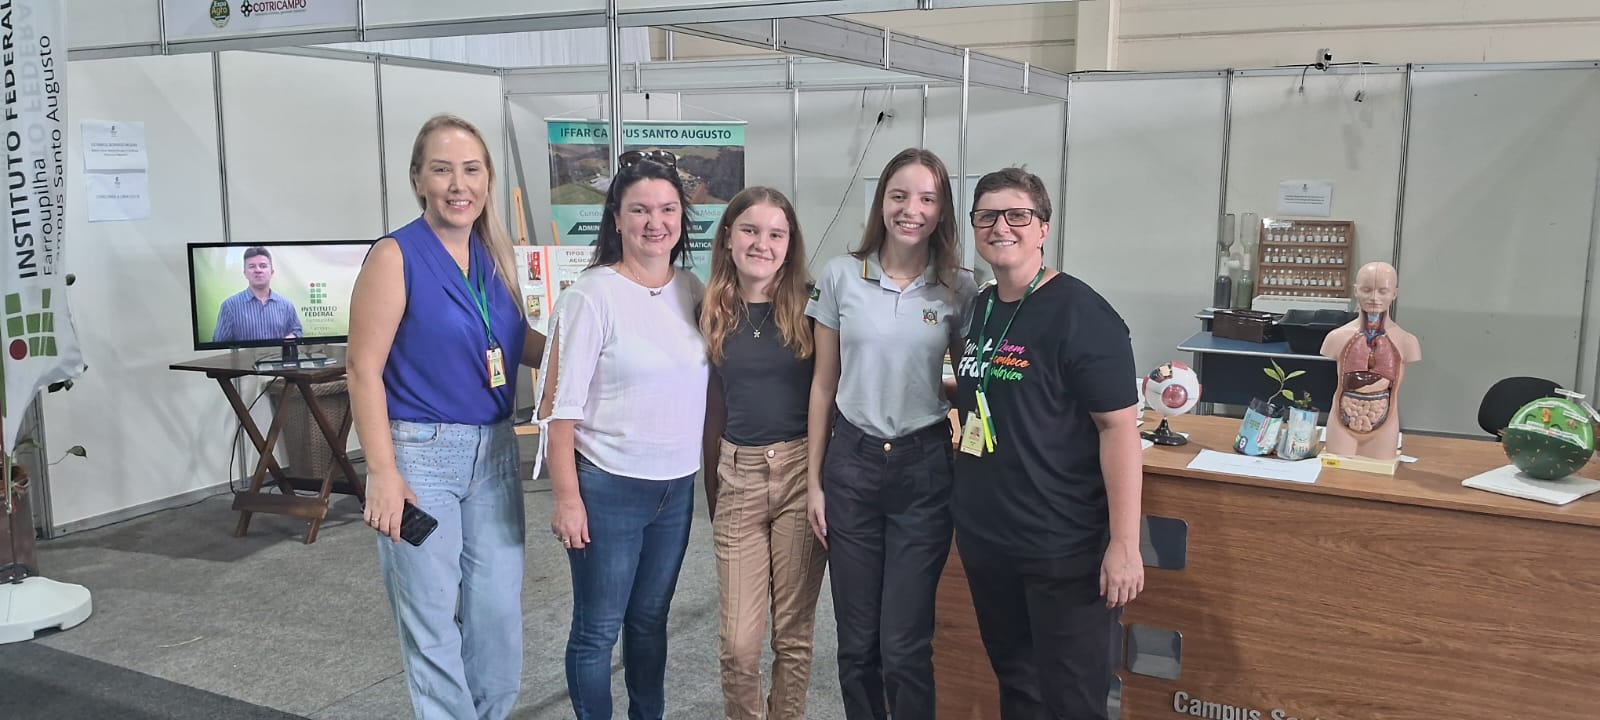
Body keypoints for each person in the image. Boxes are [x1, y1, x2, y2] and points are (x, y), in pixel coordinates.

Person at [346, 113, 546, 720]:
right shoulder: (395, 255)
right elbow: (362, 369)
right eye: (442, 170)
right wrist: (383, 473)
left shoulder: (492, 254)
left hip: (495, 454)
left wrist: (596, 350)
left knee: (496, 614)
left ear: (487, 179)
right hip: (420, 457)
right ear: (418, 179)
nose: (459, 185)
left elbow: (513, 342)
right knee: (431, 617)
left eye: (471, 170)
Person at [951, 167, 1144, 719]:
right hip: (989, 540)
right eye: (987, 216)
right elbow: (996, 388)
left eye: (1018, 215)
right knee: (1018, 688)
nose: (1001, 227)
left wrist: (1124, 543)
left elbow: (1119, 429)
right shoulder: (982, 307)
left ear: (1043, 228)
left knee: (1071, 700)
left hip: (1061, 545)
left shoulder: (1082, 313)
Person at [805, 147, 979, 720]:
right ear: (881, 201)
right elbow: (823, 386)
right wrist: (814, 483)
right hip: (851, 466)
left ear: (942, 210)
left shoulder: (959, 287)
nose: (912, 210)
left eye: (927, 198)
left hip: (923, 468)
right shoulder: (840, 276)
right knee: (857, 645)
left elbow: (974, 384)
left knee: (903, 647)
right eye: (899, 196)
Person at [535, 149, 708, 720]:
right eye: (640, 210)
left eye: (667, 209)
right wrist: (568, 499)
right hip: (607, 488)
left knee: (650, 620)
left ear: (682, 217)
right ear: (616, 218)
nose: (655, 222)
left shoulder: (693, 290)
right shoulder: (591, 296)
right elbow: (559, 412)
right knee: (598, 628)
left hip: (675, 489)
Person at [699, 187, 826, 720]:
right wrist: (713, 489)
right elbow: (713, 408)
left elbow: (833, 392)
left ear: (790, 243)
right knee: (738, 644)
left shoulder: (814, 307)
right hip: (738, 474)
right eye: (750, 230)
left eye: (776, 234)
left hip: (800, 470)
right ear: (728, 236)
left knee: (792, 635)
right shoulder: (710, 310)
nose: (762, 244)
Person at [1320, 260, 1421, 460]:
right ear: (1356, 291)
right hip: (1341, 420)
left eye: (1383, 291)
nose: (1374, 298)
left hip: (1385, 422)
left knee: (1376, 475)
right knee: (1338, 474)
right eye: (1367, 290)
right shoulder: (1336, 337)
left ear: (1394, 294)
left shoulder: (1407, 342)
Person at [212, 246, 303, 343]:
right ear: (245, 273)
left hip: (279, 353)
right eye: (252, 266)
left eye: (263, 266)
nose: (258, 270)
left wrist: (289, 339)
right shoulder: (230, 306)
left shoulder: (286, 305)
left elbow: (297, 331)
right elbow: (219, 343)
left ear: (272, 272)